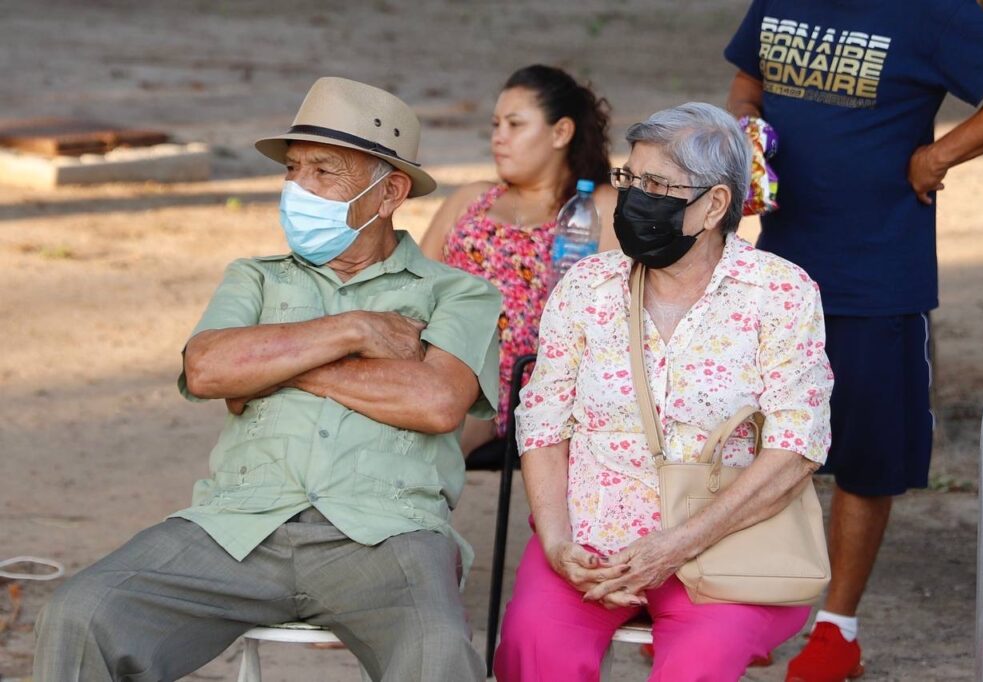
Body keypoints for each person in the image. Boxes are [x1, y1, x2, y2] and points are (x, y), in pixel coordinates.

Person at [32, 77, 501, 682]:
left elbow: (437, 402)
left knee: (436, 652)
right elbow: (206, 368)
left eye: (323, 172)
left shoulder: (457, 292)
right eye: (293, 170)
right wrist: (353, 330)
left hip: (387, 531)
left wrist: (273, 365)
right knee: (81, 613)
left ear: (390, 193)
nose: (298, 188)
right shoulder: (254, 277)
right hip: (237, 523)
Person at [723, 2, 983, 680]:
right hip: (774, 266)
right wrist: (746, 131)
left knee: (866, 457)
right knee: (752, 442)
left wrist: (941, 154)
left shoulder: (929, 11)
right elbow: (749, 78)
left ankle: (837, 630)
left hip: (877, 273)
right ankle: (751, 605)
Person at [493, 102, 834, 682]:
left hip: (726, 545)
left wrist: (673, 547)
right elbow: (543, 423)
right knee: (534, 649)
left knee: (696, 666)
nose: (632, 198)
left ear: (715, 204)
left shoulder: (778, 293)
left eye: (656, 184)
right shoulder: (588, 287)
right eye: (630, 178)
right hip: (590, 541)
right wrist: (556, 542)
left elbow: (795, 448)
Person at [420, 64, 617, 455]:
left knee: (437, 423)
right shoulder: (472, 198)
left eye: (514, 125)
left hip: (515, 379)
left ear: (561, 132)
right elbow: (414, 281)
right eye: (495, 125)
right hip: (432, 355)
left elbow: (614, 314)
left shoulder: (596, 208)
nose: (498, 138)